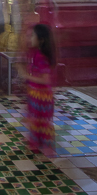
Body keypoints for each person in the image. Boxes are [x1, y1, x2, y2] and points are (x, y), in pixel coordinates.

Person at [25, 23, 55, 155]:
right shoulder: (35, 53)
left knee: (42, 122)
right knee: (35, 121)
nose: (29, 39)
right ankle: (35, 144)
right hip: (35, 95)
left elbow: (45, 79)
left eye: (32, 36)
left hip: (42, 97)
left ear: (41, 39)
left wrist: (27, 76)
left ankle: (46, 146)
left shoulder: (41, 57)